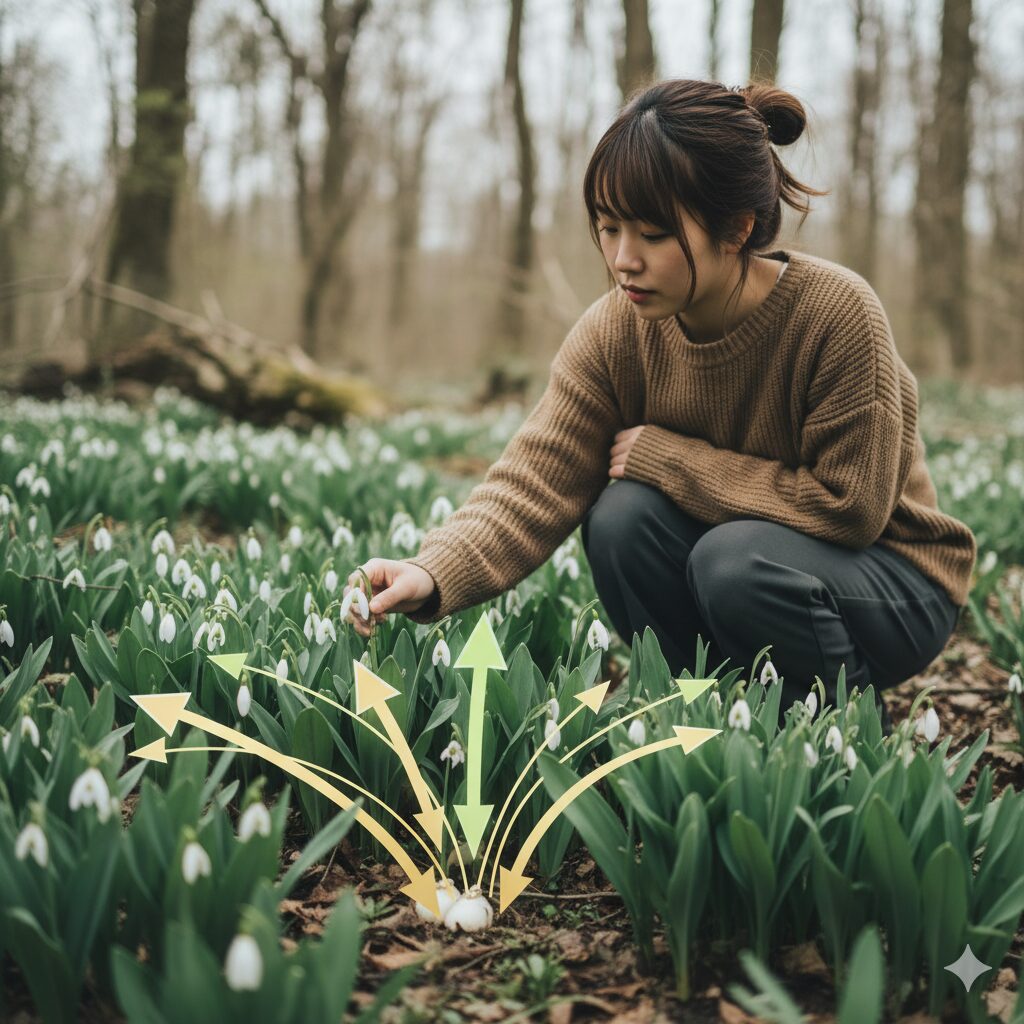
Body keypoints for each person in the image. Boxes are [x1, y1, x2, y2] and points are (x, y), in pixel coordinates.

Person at [343, 78, 977, 733]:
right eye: (609, 227)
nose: (623, 260)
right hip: (752, 565)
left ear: (737, 229)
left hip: (892, 582)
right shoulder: (617, 330)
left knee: (732, 561)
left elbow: (850, 508)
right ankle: (704, 713)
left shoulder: (836, 316)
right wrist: (430, 569)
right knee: (621, 520)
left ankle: (829, 731)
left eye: (650, 234)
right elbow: (537, 475)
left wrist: (673, 461)